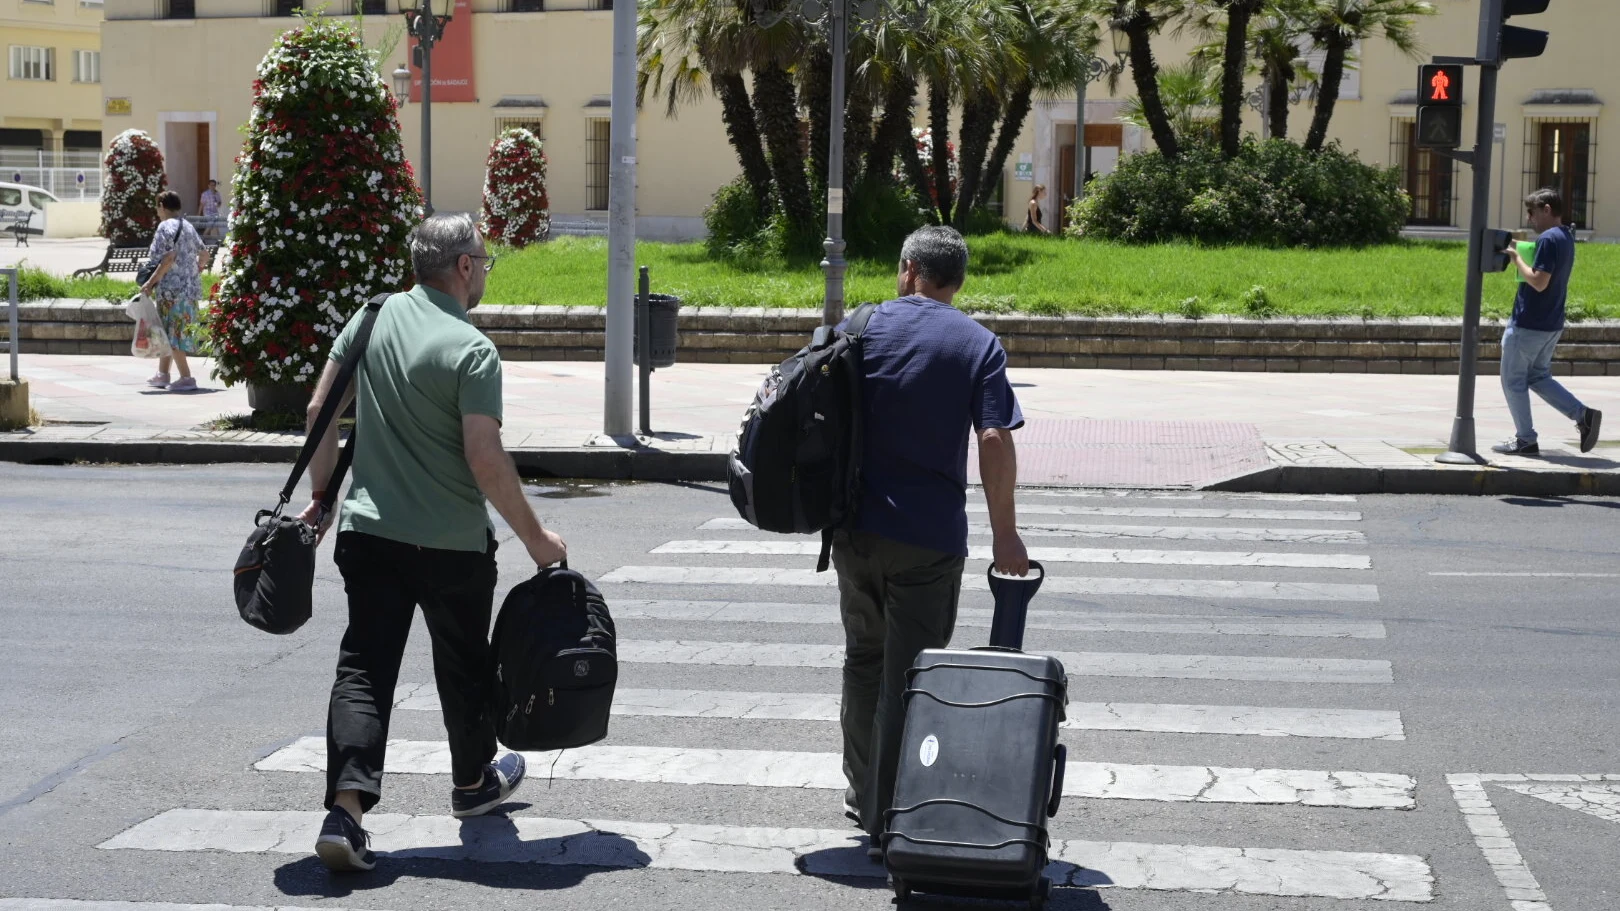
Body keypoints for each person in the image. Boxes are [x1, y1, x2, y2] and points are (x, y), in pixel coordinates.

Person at [295, 213, 569, 873]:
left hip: (369, 533)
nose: (484, 272)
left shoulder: (370, 317)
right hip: (451, 545)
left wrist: (325, 495)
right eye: (484, 261)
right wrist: (537, 538)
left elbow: (317, 414)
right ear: (465, 267)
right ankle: (473, 783)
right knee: (466, 666)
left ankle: (347, 811)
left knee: (364, 666)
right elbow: (484, 455)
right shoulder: (471, 348)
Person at [832, 225, 1029, 853]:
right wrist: (1007, 537)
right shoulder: (977, 344)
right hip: (928, 540)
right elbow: (994, 438)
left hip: (855, 531)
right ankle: (891, 812)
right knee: (911, 676)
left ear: (909, 268)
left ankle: (864, 792)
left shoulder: (858, 328)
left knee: (864, 661)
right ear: (956, 280)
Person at [1492, 187, 1601, 455]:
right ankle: (1583, 415)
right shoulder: (1565, 236)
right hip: (1551, 322)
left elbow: (1540, 282)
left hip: (1528, 323)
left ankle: (1525, 439)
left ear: (1547, 210)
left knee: (1512, 381)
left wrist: (1517, 259)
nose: (1530, 219)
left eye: (1532, 213)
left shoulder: (1549, 239)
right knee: (1538, 376)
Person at [140, 191, 208, 393]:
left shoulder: (164, 227)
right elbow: (204, 254)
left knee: (174, 333)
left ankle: (187, 378)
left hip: (171, 291)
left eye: (157, 207)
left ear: (162, 205)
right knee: (170, 331)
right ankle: (163, 374)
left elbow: (167, 259)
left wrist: (151, 283)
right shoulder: (187, 226)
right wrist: (195, 270)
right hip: (189, 290)